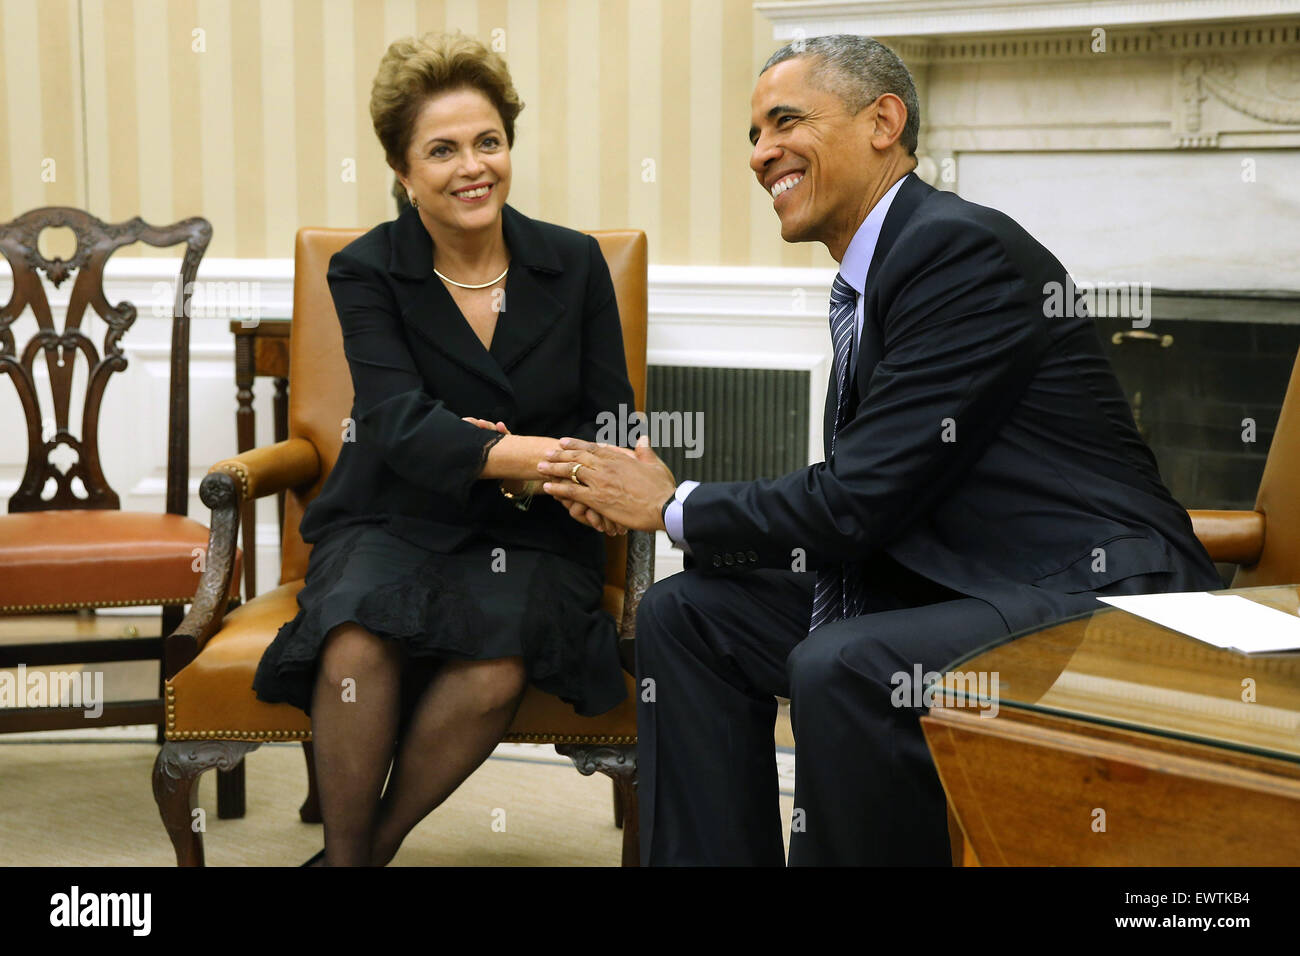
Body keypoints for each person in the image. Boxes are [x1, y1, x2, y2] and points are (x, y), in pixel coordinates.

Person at [538, 34, 1222, 865]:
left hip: (1095, 596)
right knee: (688, 615)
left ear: (883, 121)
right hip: (954, 574)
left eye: (784, 121)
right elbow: (869, 500)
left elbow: (856, 500)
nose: (761, 155)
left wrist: (672, 506)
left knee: (844, 665)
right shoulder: (881, 273)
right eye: (753, 136)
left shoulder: (955, 251)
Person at [252, 31, 635, 867]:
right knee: (357, 640)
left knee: (496, 661)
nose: (473, 167)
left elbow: (612, 422)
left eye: (488, 142)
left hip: (534, 532)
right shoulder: (368, 270)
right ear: (403, 172)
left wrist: (556, 467)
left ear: (509, 146)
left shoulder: (572, 265)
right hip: (396, 513)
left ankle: (363, 855)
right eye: (443, 150)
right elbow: (396, 423)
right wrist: (542, 456)